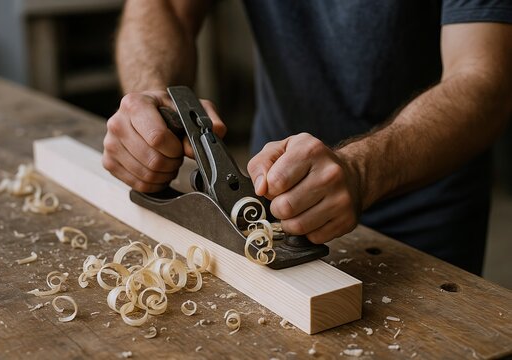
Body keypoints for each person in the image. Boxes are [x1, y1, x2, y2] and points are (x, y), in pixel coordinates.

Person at [102, 1, 512, 275]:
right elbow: (163, 8)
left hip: (423, 202)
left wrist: (361, 170)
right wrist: (152, 97)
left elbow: (483, 81)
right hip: (271, 191)